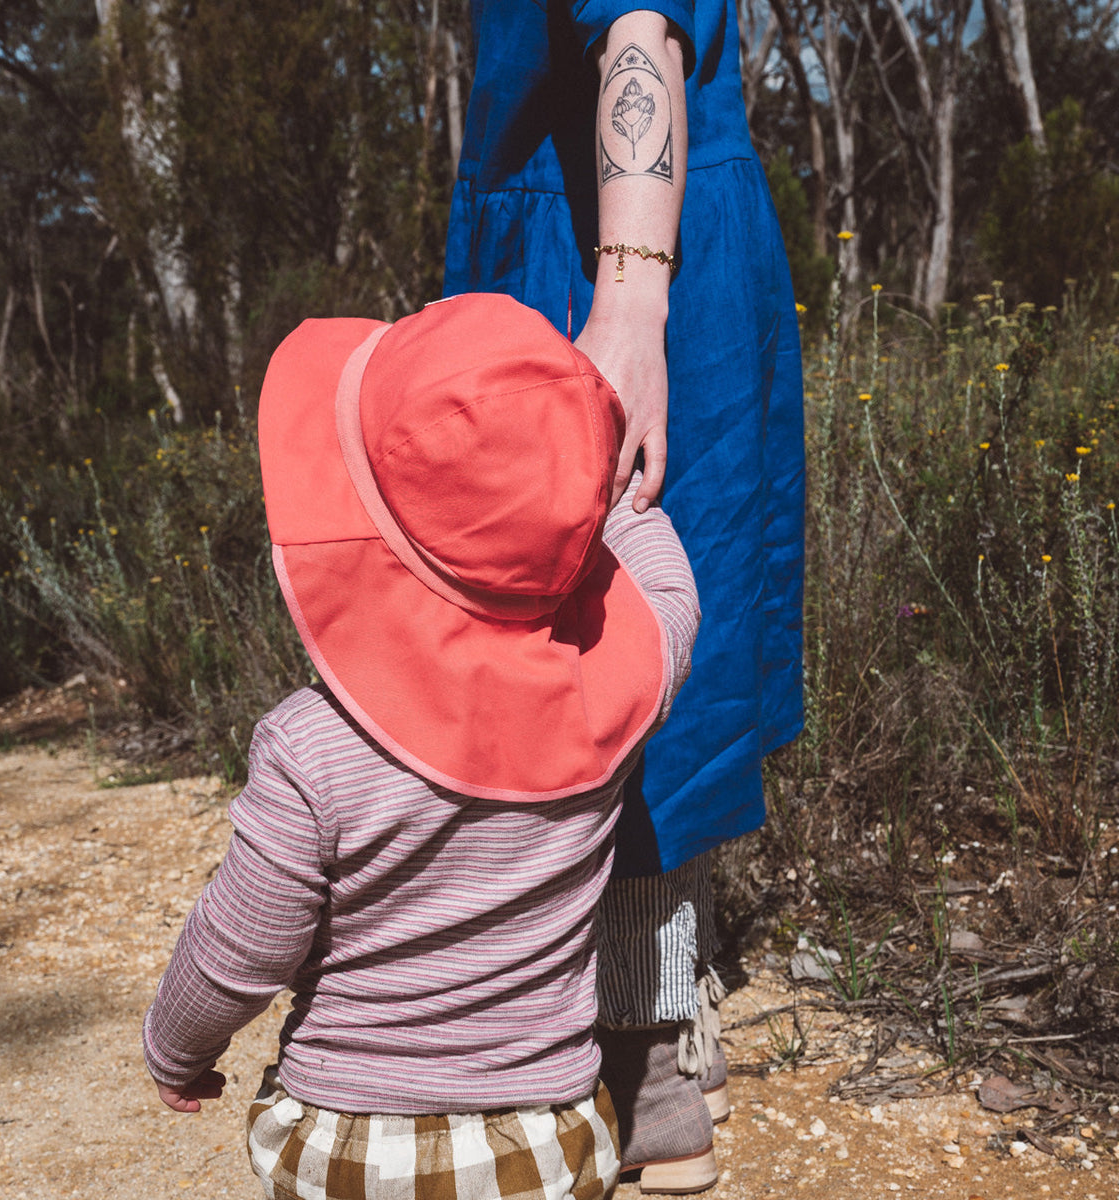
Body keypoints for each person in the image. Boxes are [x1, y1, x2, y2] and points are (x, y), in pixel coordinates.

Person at [141, 292, 701, 1200]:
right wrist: (598, 493)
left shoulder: (309, 749)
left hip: (350, 1148)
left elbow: (237, 952)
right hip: (547, 1144)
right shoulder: (616, 694)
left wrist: (176, 1050)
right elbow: (668, 593)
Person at [444, 3, 806, 1192]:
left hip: (612, 252)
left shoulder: (623, 277)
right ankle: (625, 1015)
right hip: (595, 232)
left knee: (601, 642)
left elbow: (638, 34)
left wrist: (628, 299)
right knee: (600, 627)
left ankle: (640, 1045)